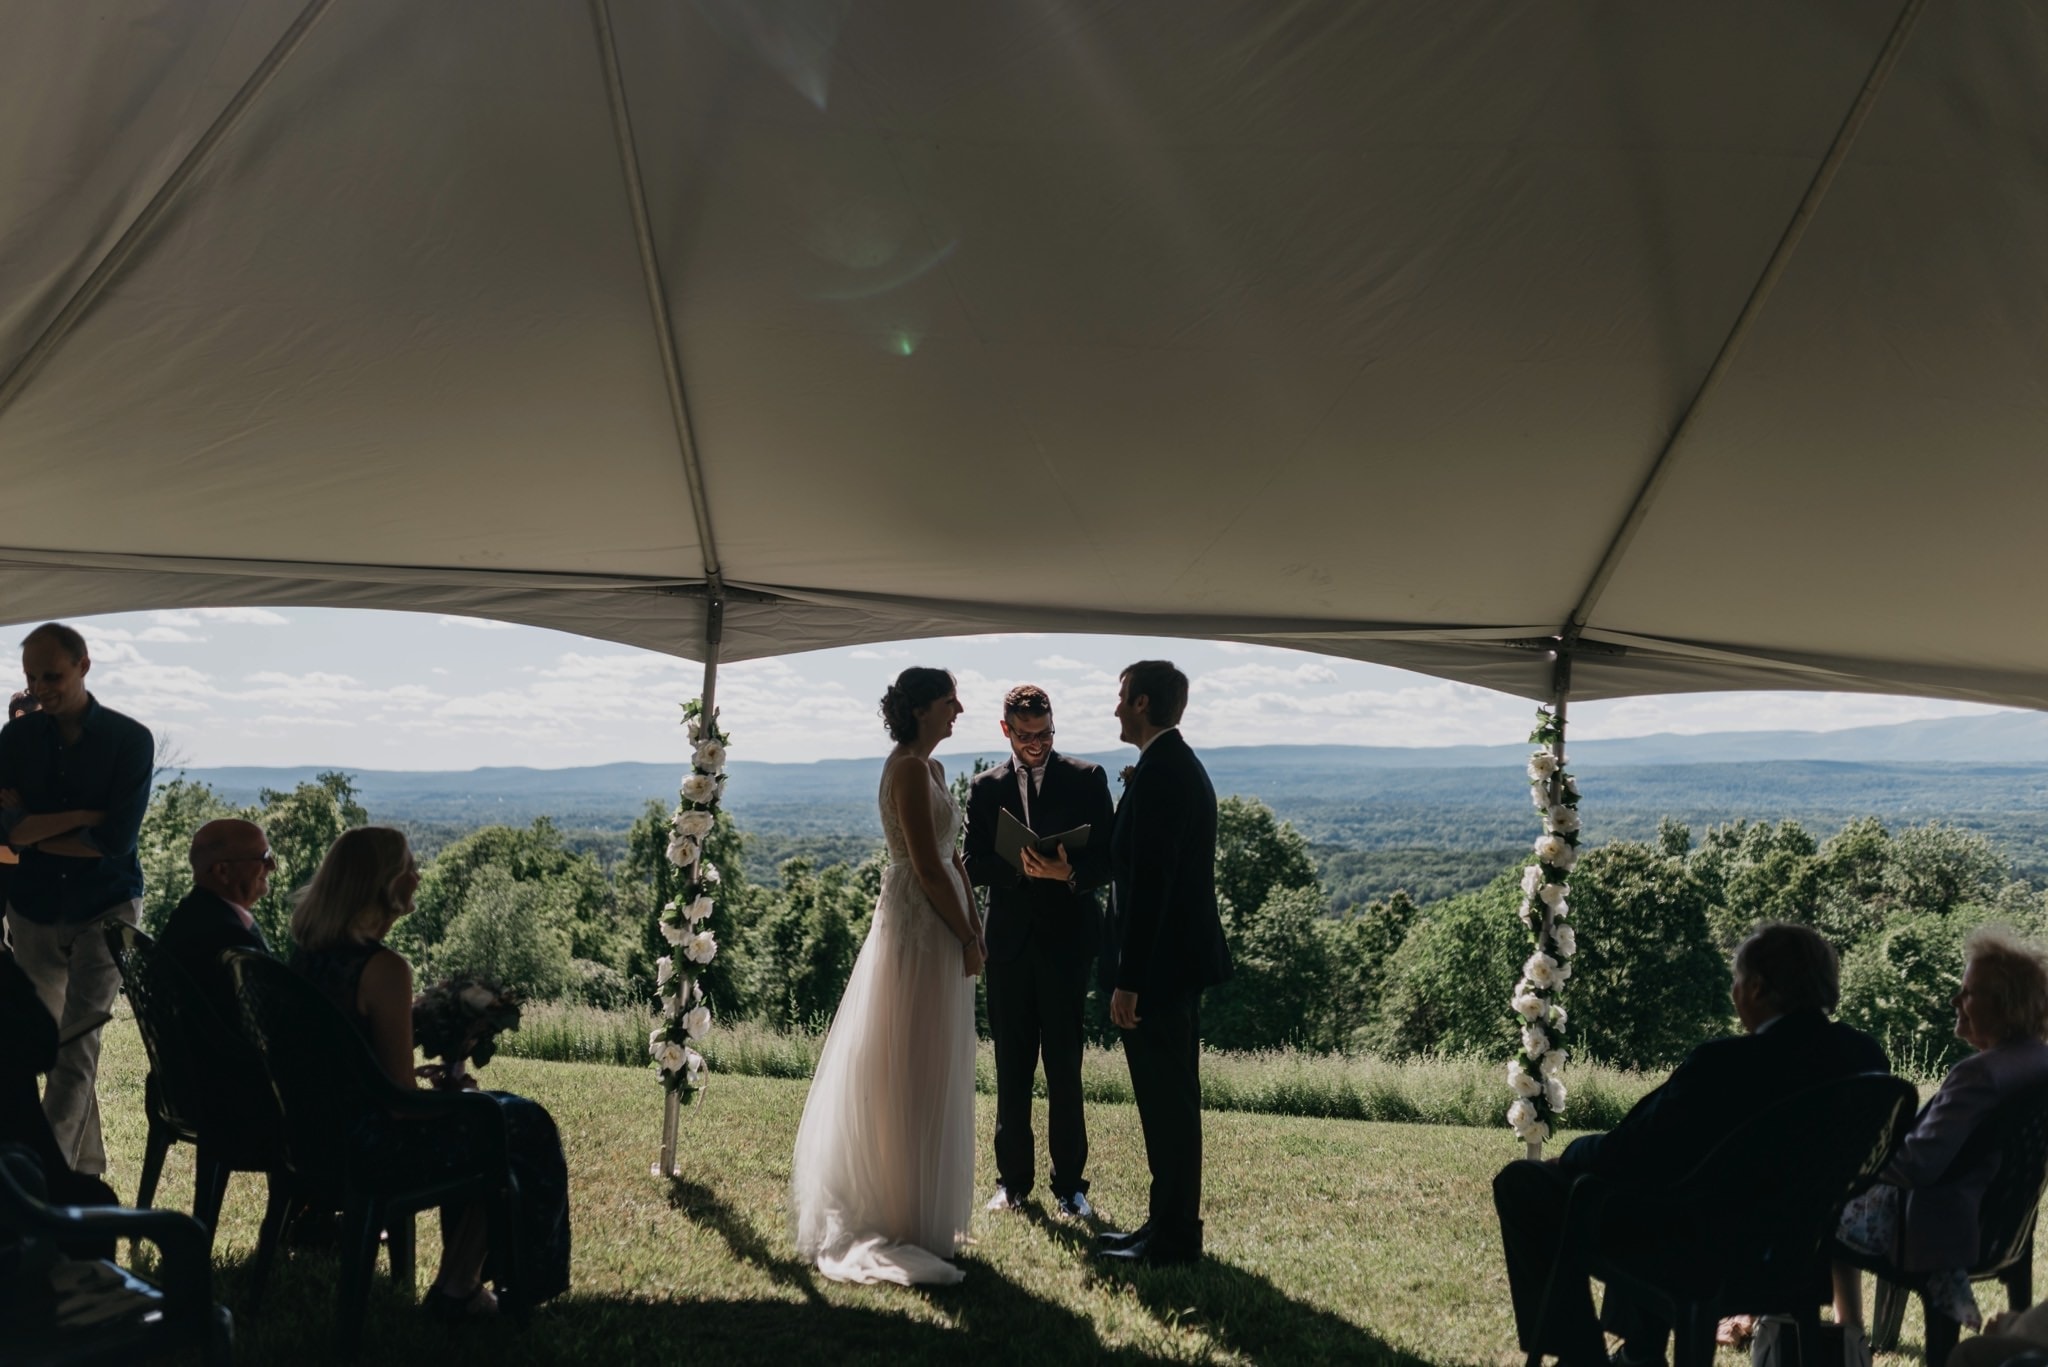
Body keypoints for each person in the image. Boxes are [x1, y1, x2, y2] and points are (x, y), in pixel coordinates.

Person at [1494, 921, 1888, 1367]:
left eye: (1736, 981)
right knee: (1670, 1192)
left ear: (1757, 988)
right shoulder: (1866, 1060)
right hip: (1802, 1258)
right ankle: (1640, 1353)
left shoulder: (1726, 1066)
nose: (1733, 992)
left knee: (1526, 1183)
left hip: (1703, 1257)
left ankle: (1584, 1358)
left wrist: (1574, 1152)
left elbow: (1631, 1151)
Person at [289, 827, 570, 1318]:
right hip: (368, 1150)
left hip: (312, 1138)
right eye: (410, 867)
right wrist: (457, 1097)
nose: (418, 876)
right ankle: (476, 1287)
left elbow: (349, 1069)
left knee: (499, 1118)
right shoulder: (383, 969)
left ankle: (459, 1282)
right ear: (384, 884)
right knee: (522, 1123)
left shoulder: (308, 955)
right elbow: (401, 1105)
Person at [790, 667, 982, 1285]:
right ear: (923, 708)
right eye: (950, 700)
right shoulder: (904, 768)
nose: (959, 709)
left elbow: (955, 859)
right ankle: (899, 1209)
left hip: (948, 916)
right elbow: (926, 868)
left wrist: (978, 925)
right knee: (909, 1055)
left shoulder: (934, 770)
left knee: (936, 1056)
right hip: (920, 923)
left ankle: (926, 1208)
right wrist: (963, 933)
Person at [1833, 927, 2048, 1335]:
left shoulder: (1979, 1075)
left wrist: (1857, 1158)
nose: (1955, 1001)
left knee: (1824, 1210)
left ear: (2006, 1005)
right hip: (2001, 1224)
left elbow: (1918, 1167)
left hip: (1937, 1227)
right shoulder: (2038, 1063)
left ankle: (1846, 1334)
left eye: (1968, 992)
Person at [0, 622, 153, 1180]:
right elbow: (7, 834)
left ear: (84, 666)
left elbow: (116, 844)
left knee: (79, 1043)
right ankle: (84, 1169)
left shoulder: (129, 740)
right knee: (50, 1042)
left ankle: (45, 1184)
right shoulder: (13, 740)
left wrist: (36, 827)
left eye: (53, 675)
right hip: (35, 906)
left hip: (106, 905)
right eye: (32, 677)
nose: (41, 687)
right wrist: (86, 816)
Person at [1095, 661, 1232, 1267]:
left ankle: (1174, 1238)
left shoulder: (1163, 774)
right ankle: (1163, 1225)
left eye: (1122, 698)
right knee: (1167, 1103)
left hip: (1161, 971)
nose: (1116, 708)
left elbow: (1151, 888)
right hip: (1174, 965)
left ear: (1143, 702)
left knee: (1169, 1104)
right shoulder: (1170, 765)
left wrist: (1129, 980)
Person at [964, 683, 1115, 1220]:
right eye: (1026, 735)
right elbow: (973, 863)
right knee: (1011, 1068)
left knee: (1065, 1068)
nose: (1037, 744)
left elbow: (1111, 858)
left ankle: (1071, 1186)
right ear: (1006, 730)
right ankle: (1012, 1184)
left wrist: (1068, 872)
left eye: (1046, 733)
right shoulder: (984, 787)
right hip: (1008, 944)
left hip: (1068, 943)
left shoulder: (1088, 778)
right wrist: (1019, 867)